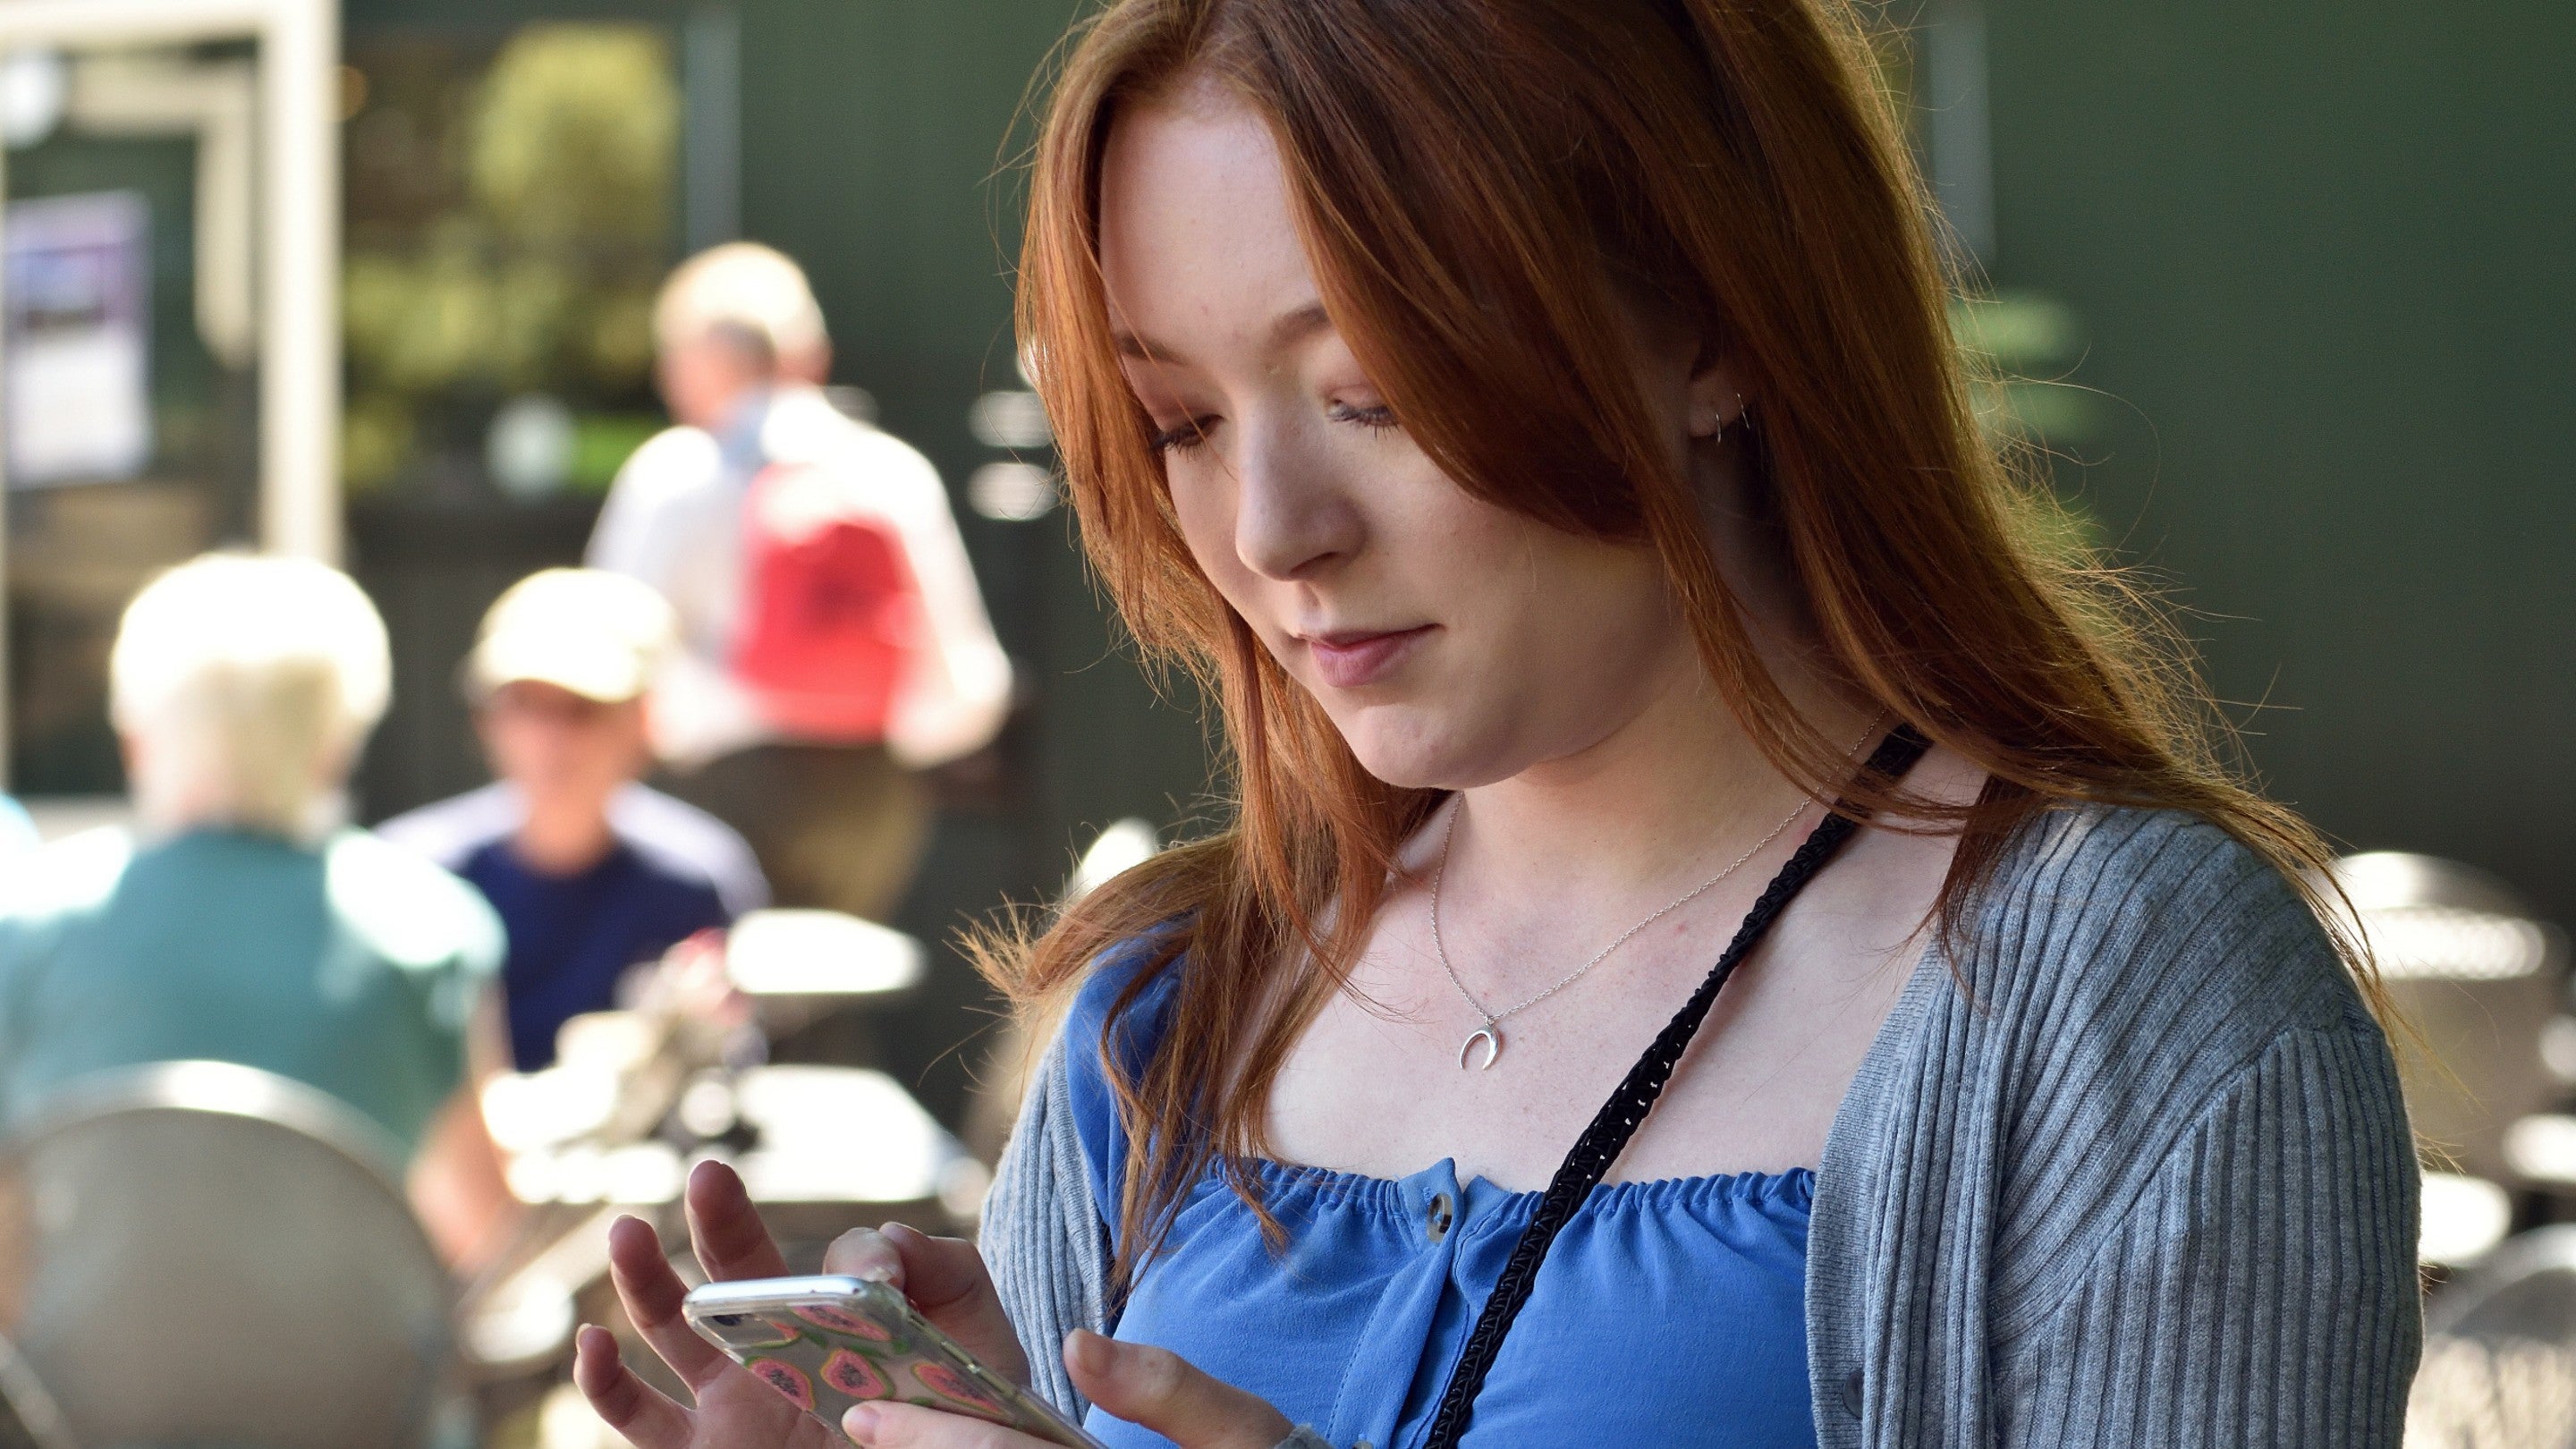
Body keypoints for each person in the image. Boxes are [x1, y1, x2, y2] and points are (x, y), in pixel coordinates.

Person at [578, 2, 2419, 1446]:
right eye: (1182, 423)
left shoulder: (2130, 1005)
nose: (1271, 531)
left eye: (1371, 389)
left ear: (1709, 322)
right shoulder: (1163, 1030)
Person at [0, 554, 515, 1267]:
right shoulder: (429, 928)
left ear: (135, 739)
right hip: (347, 1342)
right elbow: (486, 1233)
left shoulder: (23, 923)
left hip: (75, 1344)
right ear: (336, 747)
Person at [587, 242, 1013, 922]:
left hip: (719, 789)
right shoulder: (891, 471)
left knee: (720, 984)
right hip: (873, 798)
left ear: (695, 362)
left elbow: (607, 654)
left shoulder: (675, 475)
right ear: (810, 355)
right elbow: (970, 683)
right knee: (838, 980)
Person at [378, 568, 770, 1072]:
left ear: (644, 722)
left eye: (583, 709)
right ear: (485, 721)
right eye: (525, 705)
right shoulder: (412, 878)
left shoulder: (699, 881)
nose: (552, 738)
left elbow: (733, 1064)